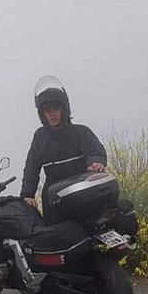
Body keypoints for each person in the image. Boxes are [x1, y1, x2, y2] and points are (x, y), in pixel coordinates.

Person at [21, 76, 108, 207]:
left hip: (83, 194)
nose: (52, 114)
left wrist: (96, 162)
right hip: (54, 199)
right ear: (42, 114)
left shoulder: (81, 132)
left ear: (64, 109)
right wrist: (27, 194)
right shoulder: (40, 137)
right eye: (48, 110)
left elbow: (95, 151)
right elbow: (31, 169)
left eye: (56, 109)